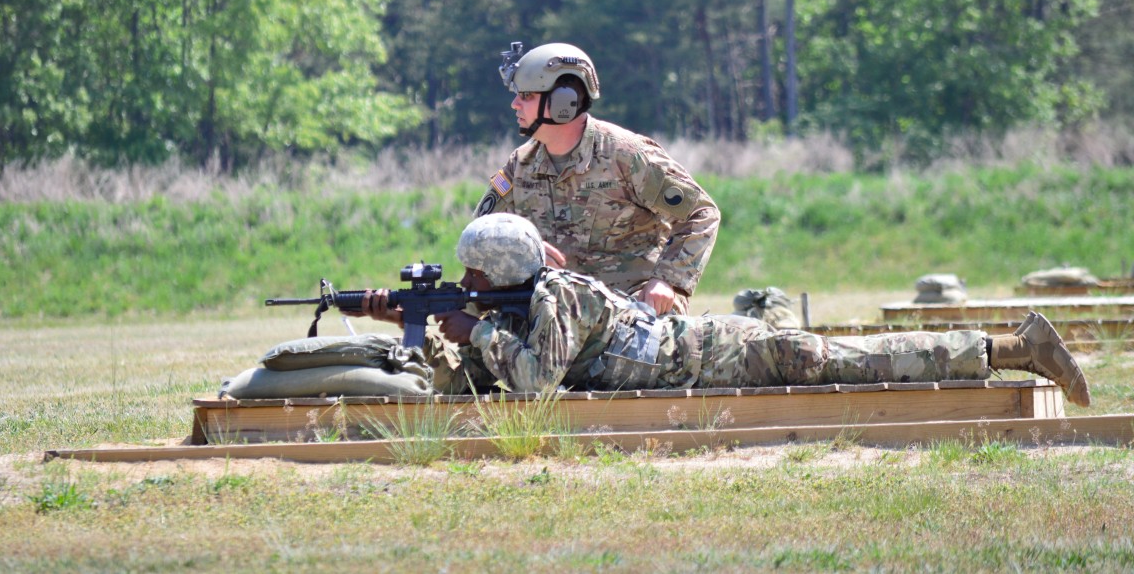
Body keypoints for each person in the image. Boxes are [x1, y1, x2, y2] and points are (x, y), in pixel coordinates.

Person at [360, 214, 1092, 407]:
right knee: (844, 359)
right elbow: (477, 385)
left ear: (505, 270)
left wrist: (475, 327)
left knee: (845, 360)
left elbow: (532, 386)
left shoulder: (561, 294)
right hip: (699, 366)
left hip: (728, 351)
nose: (466, 280)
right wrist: (419, 333)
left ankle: (1012, 348)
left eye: (475, 272)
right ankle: (1011, 350)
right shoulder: (522, 313)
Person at [473, 41, 721, 316]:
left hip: (632, 314)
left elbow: (701, 213)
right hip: (559, 319)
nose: (515, 104)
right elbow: (481, 230)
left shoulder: (626, 155)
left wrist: (667, 280)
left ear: (563, 104)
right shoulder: (520, 165)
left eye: (527, 95)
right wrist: (520, 243)